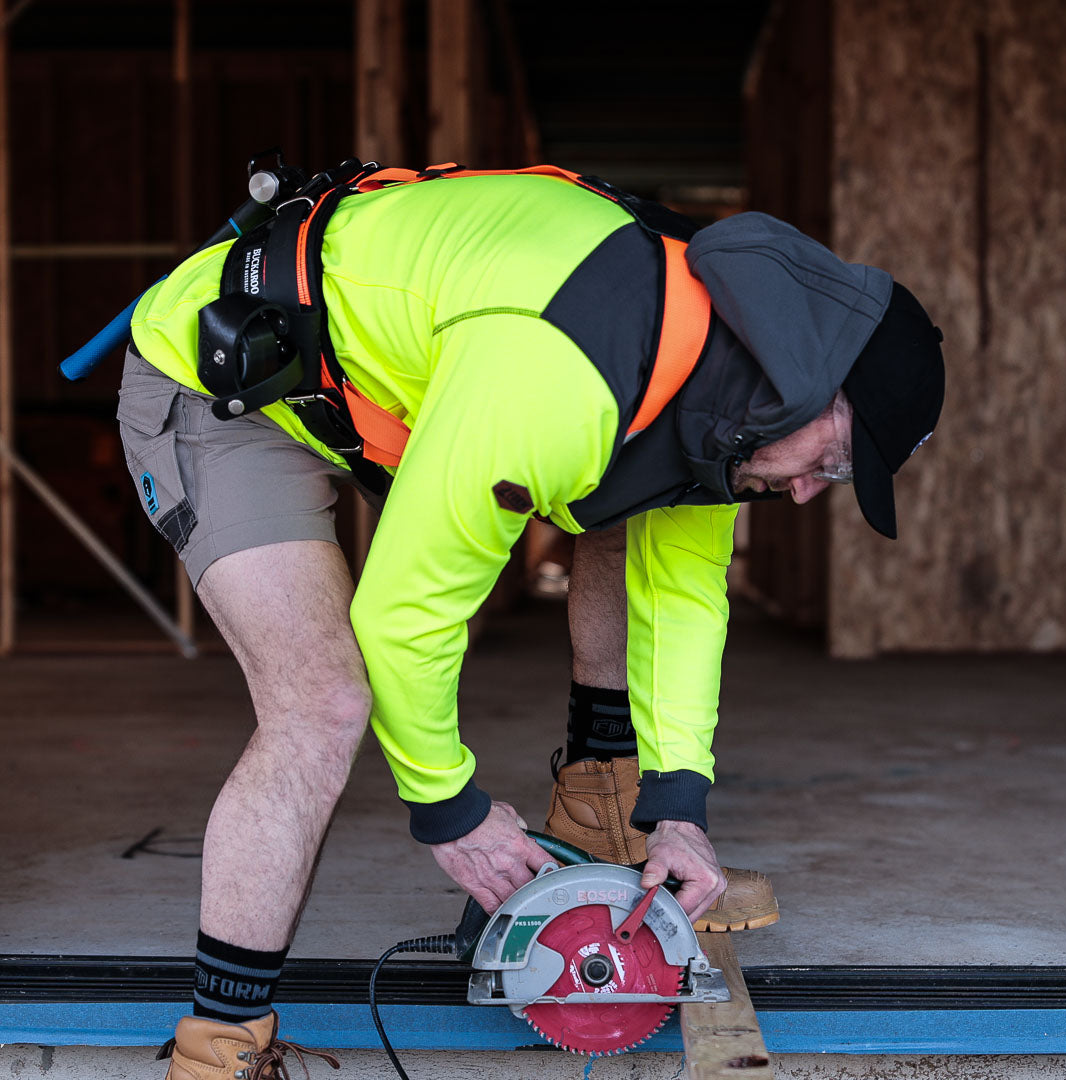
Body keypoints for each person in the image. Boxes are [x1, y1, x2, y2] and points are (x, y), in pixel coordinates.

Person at [118, 167, 944, 1076]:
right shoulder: (562, 372)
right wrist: (451, 812)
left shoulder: (728, 404)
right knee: (321, 701)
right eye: (824, 466)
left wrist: (678, 809)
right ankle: (216, 1047)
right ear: (803, 385)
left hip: (369, 381)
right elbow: (404, 612)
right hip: (224, 374)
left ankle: (608, 812)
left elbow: (682, 606)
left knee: (624, 540)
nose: (798, 493)